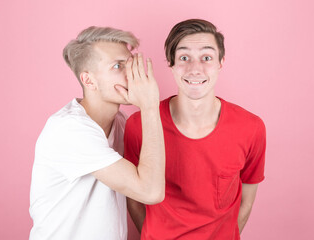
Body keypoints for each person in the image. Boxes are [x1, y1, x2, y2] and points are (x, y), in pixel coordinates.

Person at [124, 19, 266, 239]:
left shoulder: (251, 127)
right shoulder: (138, 125)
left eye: (206, 58)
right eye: (184, 58)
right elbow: (133, 198)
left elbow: (247, 198)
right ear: (171, 64)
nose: (195, 68)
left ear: (221, 62)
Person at [29, 26, 165, 240]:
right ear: (88, 80)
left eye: (129, 63)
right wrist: (149, 106)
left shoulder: (120, 122)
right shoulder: (70, 129)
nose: (131, 73)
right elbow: (150, 191)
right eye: (118, 66)